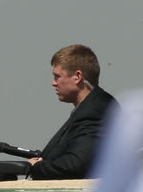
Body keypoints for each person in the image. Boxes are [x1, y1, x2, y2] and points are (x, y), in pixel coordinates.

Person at [28, 44, 117, 181]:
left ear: (77, 77)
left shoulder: (95, 112)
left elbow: (76, 165)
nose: (54, 83)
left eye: (57, 76)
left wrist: (36, 167)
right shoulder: (94, 106)